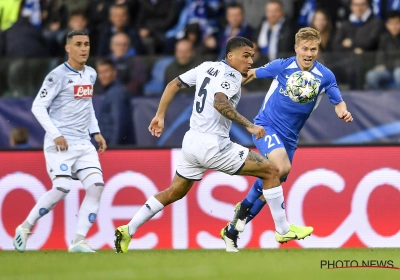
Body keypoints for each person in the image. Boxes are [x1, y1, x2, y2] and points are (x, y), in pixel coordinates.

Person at [114, 37, 313, 253]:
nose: (249, 61)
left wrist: (160, 115)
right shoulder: (232, 75)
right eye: (245, 56)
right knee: (272, 171)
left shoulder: (206, 67)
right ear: (230, 56)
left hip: (191, 143)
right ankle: (283, 229)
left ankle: (128, 229)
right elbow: (220, 102)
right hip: (214, 145)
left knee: (174, 192)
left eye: (252, 57)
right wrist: (249, 126)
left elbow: (174, 84)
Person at [221, 27, 353, 252]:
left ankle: (232, 229)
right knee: (280, 168)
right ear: (296, 49)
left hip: (290, 138)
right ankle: (280, 230)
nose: (309, 53)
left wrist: (343, 111)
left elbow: (337, 100)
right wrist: (225, 88)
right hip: (266, 126)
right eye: (305, 49)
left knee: (272, 182)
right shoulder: (283, 66)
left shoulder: (325, 76)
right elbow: (251, 74)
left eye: (313, 49)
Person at [13, 30, 107, 253]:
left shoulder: (91, 74)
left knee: (96, 187)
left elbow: (87, 106)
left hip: (83, 143)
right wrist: (56, 134)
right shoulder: (57, 76)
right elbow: (38, 106)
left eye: (86, 44)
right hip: (60, 144)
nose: (83, 48)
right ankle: (25, 227)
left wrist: (96, 132)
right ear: (68, 48)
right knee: (62, 187)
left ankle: (78, 241)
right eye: (78, 44)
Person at [96, 58, 135, 146]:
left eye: (106, 71)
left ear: (114, 72)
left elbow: (119, 123)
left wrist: (112, 149)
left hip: (116, 148)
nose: (103, 76)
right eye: (100, 72)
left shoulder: (116, 93)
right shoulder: (109, 92)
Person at [365, 10, 400, 90]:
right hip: (387, 71)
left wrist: (386, 66)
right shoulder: (384, 38)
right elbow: (380, 55)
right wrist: (379, 64)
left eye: (397, 23)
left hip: (396, 69)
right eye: (391, 23)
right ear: (387, 25)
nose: (394, 26)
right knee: (371, 75)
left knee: (398, 73)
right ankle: (379, 101)